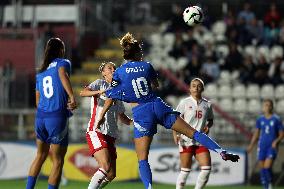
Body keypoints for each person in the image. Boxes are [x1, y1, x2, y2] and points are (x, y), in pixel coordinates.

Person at [97, 32, 239, 189]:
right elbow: (155, 85)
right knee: (194, 133)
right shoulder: (147, 66)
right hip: (157, 106)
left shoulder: (119, 72)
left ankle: (149, 188)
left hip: (141, 114)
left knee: (143, 159)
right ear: (138, 53)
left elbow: (111, 94)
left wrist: (106, 107)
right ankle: (221, 151)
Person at [26, 38, 77, 189]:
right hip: (57, 117)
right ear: (61, 49)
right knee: (57, 160)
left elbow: (37, 100)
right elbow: (62, 75)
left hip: (41, 118)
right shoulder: (63, 63)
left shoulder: (40, 71)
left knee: (40, 156)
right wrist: (72, 97)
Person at [80, 61, 132, 189]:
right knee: (105, 166)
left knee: (111, 174)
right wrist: (98, 92)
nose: (113, 69)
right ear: (103, 73)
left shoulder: (118, 92)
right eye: (110, 68)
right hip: (96, 130)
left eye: (114, 67)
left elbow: (123, 118)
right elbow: (83, 93)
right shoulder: (99, 83)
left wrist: (138, 121)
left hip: (111, 135)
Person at [173, 78, 213, 189]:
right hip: (186, 140)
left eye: (199, 86)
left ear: (202, 88)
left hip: (201, 140)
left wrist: (208, 126)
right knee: (185, 171)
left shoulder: (207, 105)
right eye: (194, 85)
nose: (196, 88)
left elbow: (210, 120)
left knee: (206, 169)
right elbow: (175, 119)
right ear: (190, 89)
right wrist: (175, 135)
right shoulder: (184, 103)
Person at [247, 99, 284, 189]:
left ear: (272, 107)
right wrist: (251, 145)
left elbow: (282, 133)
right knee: (262, 169)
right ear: (263, 107)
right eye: (265, 105)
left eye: (268, 105)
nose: (267, 107)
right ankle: (266, 186)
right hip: (262, 146)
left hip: (271, 147)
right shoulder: (260, 119)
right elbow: (256, 133)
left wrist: (276, 141)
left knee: (267, 167)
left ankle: (270, 185)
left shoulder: (276, 119)